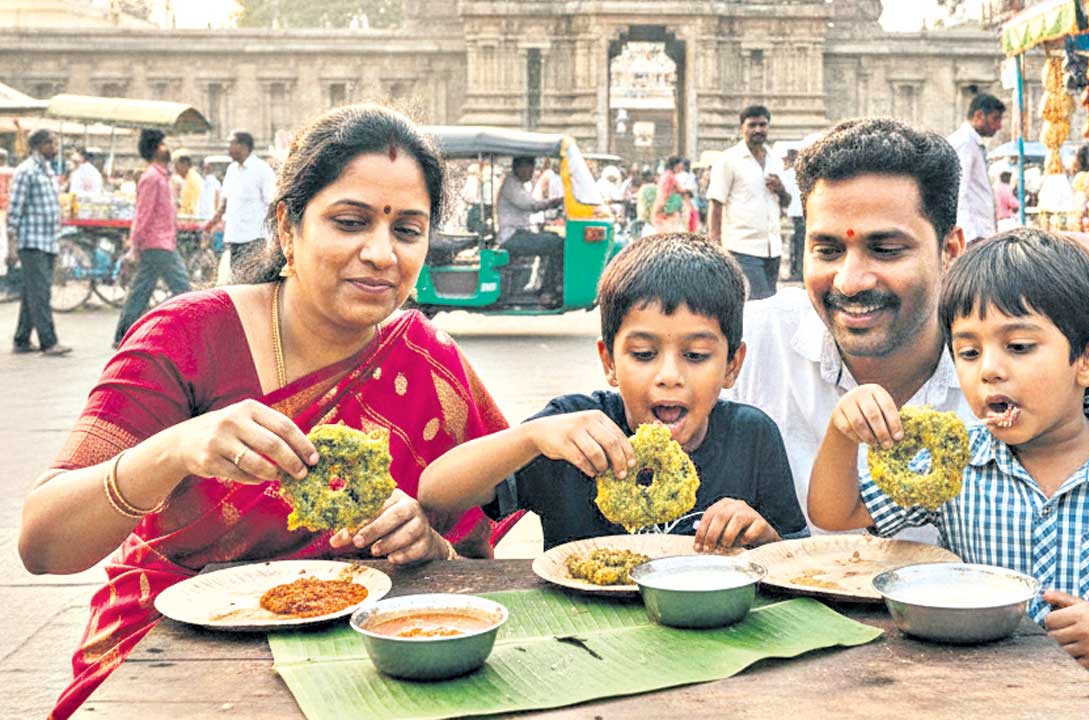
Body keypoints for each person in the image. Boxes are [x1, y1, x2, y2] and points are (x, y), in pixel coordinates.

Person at [20, 105, 522, 718]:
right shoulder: (185, 337)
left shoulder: (428, 360)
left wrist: (427, 543)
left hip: (364, 665)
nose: (382, 253)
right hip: (172, 657)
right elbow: (42, 544)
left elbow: (472, 557)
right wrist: (175, 448)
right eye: (350, 221)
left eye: (408, 231)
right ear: (288, 226)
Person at [808, 228, 1089, 720]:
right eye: (968, 352)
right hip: (978, 704)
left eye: (1018, 346)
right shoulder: (958, 464)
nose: (988, 370)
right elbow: (834, 513)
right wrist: (843, 432)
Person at [419, 233, 807, 550]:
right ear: (608, 362)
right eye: (643, 354)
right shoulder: (570, 436)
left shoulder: (752, 437)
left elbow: (793, 554)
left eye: (696, 354)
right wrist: (532, 437)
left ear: (732, 365)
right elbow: (436, 494)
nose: (669, 376)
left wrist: (760, 537)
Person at [724, 118, 972, 541]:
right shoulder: (746, 345)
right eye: (828, 250)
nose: (849, 281)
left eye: (886, 251)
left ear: (949, 251)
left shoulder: (1001, 380)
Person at [113, 130, 192, 347]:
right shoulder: (151, 177)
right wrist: (135, 244)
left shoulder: (161, 176)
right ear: (156, 149)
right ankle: (195, 330)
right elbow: (143, 213)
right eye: (163, 144)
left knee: (141, 290)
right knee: (183, 288)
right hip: (158, 244)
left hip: (161, 241)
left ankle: (122, 333)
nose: (167, 147)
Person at [707, 105, 790, 299]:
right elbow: (716, 202)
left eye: (763, 125)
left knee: (769, 301)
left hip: (772, 247)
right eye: (752, 125)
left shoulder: (775, 160)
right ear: (741, 128)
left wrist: (781, 190)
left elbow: (786, 202)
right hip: (742, 247)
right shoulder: (729, 160)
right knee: (758, 301)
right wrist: (715, 245)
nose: (758, 130)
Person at [7, 129, 71, 356]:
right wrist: (12, 245)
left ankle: (22, 338)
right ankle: (48, 341)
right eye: (52, 144)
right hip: (31, 241)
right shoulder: (26, 171)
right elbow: (14, 210)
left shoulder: (47, 171)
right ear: (40, 145)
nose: (55, 148)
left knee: (31, 292)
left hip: (48, 241)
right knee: (41, 292)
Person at [202, 130, 276, 281]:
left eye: (232, 144)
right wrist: (210, 224)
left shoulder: (261, 170)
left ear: (244, 146)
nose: (228, 149)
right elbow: (225, 204)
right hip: (234, 237)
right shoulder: (231, 170)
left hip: (255, 238)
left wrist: (274, 235)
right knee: (238, 282)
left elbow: (272, 203)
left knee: (254, 282)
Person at [496, 156, 564, 306]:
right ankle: (548, 290)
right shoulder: (511, 184)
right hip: (512, 237)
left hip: (519, 233)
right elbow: (530, 205)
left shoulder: (519, 184)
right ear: (520, 168)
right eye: (530, 169)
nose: (532, 174)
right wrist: (554, 202)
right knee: (557, 243)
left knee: (553, 238)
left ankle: (545, 287)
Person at [948, 93, 1005, 244]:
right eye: (995, 118)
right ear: (979, 115)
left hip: (981, 232)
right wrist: (969, 235)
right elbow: (958, 191)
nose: (999, 126)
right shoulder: (964, 143)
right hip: (972, 235)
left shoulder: (973, 143)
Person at [780, 148, 805, 281]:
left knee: (797, 243)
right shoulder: (802, 173)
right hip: (800, 212)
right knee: (799, 243)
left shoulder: (788, 173)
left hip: (794, 212)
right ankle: (798, 271)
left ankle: (796, 271)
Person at [652, 156, 690, 234]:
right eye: (680, 167)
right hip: (666, 211)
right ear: (675, 166)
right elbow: (678, 191)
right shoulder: (670, 177)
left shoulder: (666, 175)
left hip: (661, 209)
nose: (681, 169)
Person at [172, 150, 203, 217]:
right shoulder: (188, 178)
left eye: (176, 165)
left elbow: (191, 207)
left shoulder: (193, 180)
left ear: (184, 164)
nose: (175, 168)